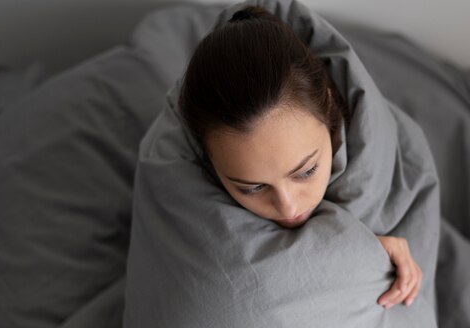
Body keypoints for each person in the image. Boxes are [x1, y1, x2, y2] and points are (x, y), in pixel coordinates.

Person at [178, 6, 422, 309]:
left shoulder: (382, 152)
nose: (288, 207)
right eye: (252, 188)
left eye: (306, 171)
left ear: (329, 109)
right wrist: (357, 252)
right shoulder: (183, 179)